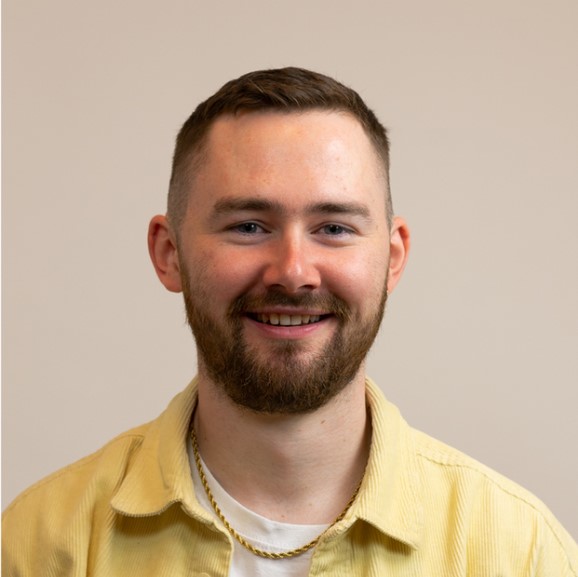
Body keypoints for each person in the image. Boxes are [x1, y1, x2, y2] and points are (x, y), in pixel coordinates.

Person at [3, 67, 577, 577]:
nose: (294, 273)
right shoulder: (38, 543)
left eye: (334, 228)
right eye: (249, 226)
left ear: (392, 258)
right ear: (169, 253)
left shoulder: (522, 553)